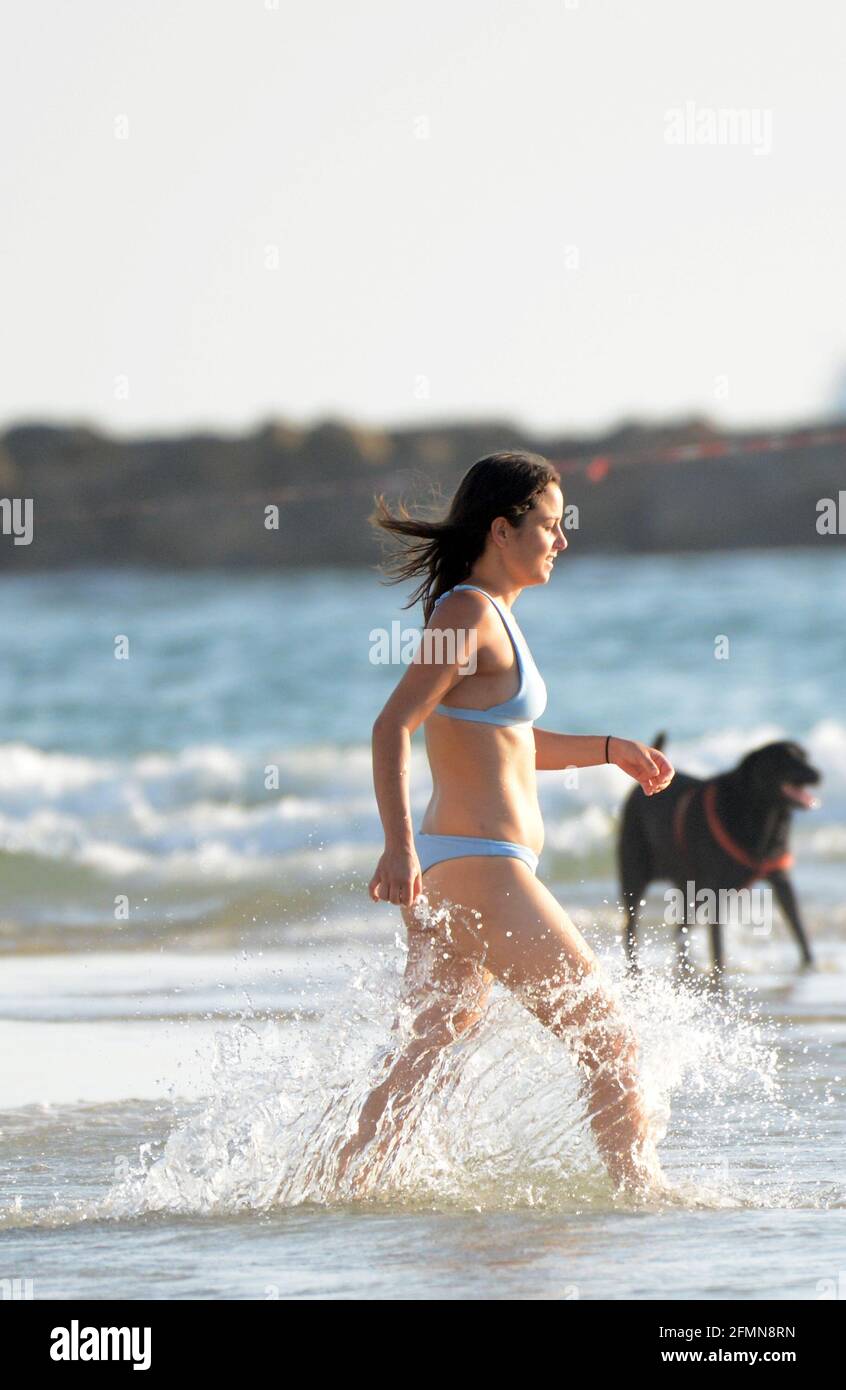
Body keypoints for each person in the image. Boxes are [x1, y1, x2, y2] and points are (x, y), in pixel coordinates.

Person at [335, 451, 675, 1195]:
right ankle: (643, 1197)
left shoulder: (493, 617)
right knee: (609, 1042)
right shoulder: (466, 613)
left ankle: (341, 1187)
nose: (561, 541)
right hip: (478, 868)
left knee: (431, 1043)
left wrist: (611, 750)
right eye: (549, 526)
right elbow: (394, 725)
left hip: (460, 864)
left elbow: (513, 742)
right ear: (502, 528)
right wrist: (398, 850)